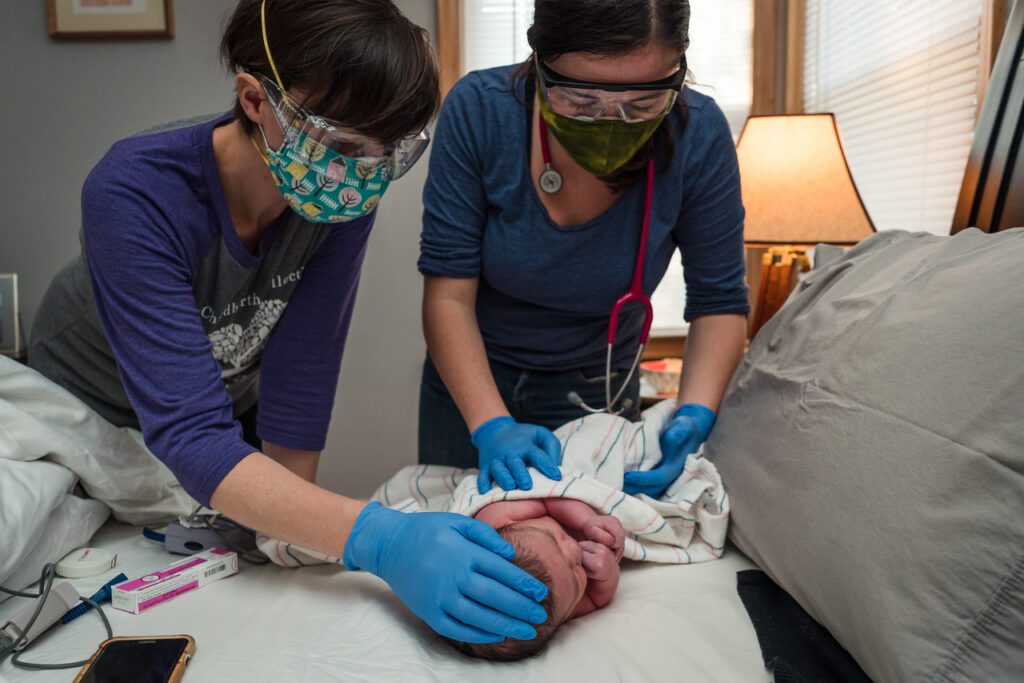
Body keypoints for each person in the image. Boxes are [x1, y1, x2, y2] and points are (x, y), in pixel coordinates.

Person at [28, 0, 548, 645]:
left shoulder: (339, 188)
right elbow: (189, 430)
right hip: (82, 411)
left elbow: (301, 378)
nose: (363, 174)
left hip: (215, 411)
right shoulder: (136, 190)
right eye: (344, 146)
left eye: (389, 153)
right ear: (253, 99)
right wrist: (377, 538)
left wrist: (286, 544)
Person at [418, 0, 749, 499]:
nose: (609, 122)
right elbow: (448, 295)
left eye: (641, 106)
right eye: (578, 99)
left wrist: (695, 413)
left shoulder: (697, 133)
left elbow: (720, 302)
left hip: (600, 391)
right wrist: (490, 425)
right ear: (539, 61)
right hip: (474, 379)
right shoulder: (481, 111)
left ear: (678, 72)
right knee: (471, 527)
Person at [450, 498, 625, 661]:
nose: (575, 549)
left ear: (514, 524)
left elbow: (548, 498)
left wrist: (587, 520)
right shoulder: (555, 610)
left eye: (556, 540)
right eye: (575, 577)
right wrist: (608, 571)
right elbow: (596, 599)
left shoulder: (496, 518)